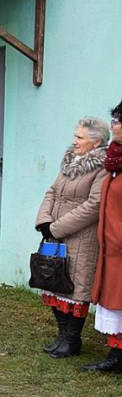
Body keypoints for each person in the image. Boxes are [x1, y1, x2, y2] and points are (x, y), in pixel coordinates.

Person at [35, 117, 108, 358]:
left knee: (75, 288)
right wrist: (44, 221)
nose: (73, 141)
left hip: (81, 238)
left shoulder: (102, 167)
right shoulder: (70, 161)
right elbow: (52, 191)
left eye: (79, 137)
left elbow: (94, 205)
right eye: (74, 136)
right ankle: (62, 335)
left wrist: (57, 228)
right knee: (54, 281)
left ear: (96, 142)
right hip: (55, 233)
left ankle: (72, 340)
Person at [84, 100, 122, 373]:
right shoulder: (115, 159)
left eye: (119, 121)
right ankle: (116, 355)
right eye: (115, 120)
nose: (114, 126)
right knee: (114, 301)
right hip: (112, 247)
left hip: (119, 244)